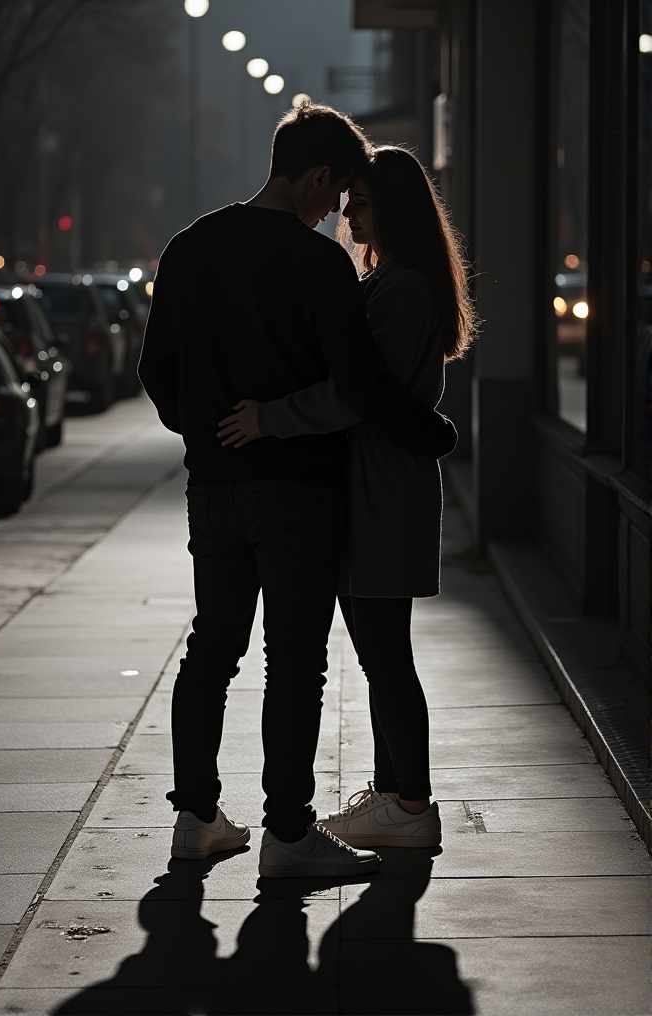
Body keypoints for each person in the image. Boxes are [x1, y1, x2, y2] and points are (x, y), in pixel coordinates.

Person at [139, 106, 457, 879]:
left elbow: (157, 370)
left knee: (211, 649)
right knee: (294, 663)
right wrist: (430, 431)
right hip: (302, 492)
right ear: (317, 177)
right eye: (338, 190)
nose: (339, 210)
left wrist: (203, 432)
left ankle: (196, 816)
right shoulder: (320, 266)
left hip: (214, 487)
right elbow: (360, 382)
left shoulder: (187, 247)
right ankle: (287, 833)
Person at [216, 146, 477, 851]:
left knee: (385, 652)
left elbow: (356, 394)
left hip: (383, 484)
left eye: (359, 200)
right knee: (380, 651)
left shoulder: (401, 288)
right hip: (379, 480)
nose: (346, 210)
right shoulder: (395, 279)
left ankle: (412, 803)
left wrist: (269, 416)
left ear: (390, 206)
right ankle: (396, 797)